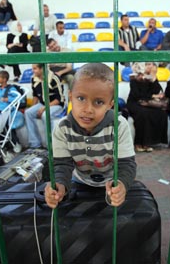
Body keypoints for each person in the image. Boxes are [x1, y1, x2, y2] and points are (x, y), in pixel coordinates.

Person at [45, 63, 136, 209]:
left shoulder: (119, 126)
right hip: (79, 182)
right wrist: (60, 185)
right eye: (80, 98)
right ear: (70, 97)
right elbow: (62, 164)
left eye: (99, 102)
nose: (88, 110)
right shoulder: (62, 128)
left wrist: (121, 185)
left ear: (110, 105)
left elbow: (126, 164)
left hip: (112, 184)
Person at [126, 62, 167, 152]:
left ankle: (149, 142)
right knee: (143, 114)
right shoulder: (134, 77)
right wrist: (152, 96)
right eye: (147, 64)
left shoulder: (151, 78)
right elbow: (137, 95)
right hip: (135, 103)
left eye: (151, 64)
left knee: (160, 113)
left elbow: (157, 90)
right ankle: (138, 143)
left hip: (147, 102)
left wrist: (154, 78)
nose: (150, 66)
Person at [25, 63, 64, 149]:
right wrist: (33, 108)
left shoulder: (54, 78)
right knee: (28, 113)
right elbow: (35, 95)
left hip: (56, 105)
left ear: (42, 69)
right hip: (42, 104)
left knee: (45, 115)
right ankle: (35, 144)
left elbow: (59, 99)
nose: (33, 71)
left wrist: (45, 108)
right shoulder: (33, 79)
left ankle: (49, 144)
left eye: (35, 68)